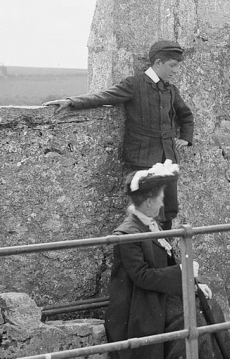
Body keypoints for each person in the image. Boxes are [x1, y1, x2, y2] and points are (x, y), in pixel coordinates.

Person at [104, 161, 230, 359]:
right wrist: (182, 272)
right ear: (148, 202)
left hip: (156, 297)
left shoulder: (149, 224)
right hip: (139, 308)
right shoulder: (126, 235)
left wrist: (194, 282)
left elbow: (169, 263)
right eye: (159, 198)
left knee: (210, 307)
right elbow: (143, 277)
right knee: (191, 319)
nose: (162, 203)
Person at [43, 40, 194, 228]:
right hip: (143, 157)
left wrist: (186, 138)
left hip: (168, 158)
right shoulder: (134, 84)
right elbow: (104, 96)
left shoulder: (170, 89)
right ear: (158, 63)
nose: (176, 70)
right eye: (172, 65)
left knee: (168, 208)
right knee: (145, 208)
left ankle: (165, 251)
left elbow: (185, 115)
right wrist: (71, 101)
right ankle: (147, 251)